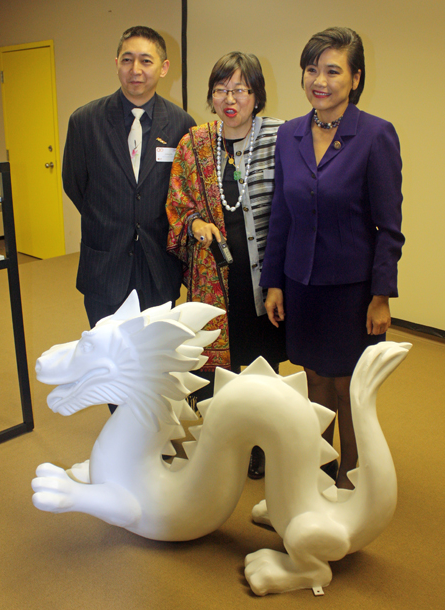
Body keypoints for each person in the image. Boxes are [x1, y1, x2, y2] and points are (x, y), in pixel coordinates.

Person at [260, 27, 405, 489]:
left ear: (355, 78)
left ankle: (350, 474)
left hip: (353, 289)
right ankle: (317, 471)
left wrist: (381, 295)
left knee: (349, 388)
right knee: (315, 379)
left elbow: (389, 227)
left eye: (332, 70)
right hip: (302, 283)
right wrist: (274, 282)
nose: (319, 80)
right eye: (311, 69)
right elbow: (280, 213)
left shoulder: (376, 135)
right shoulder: (290, 135)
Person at [166, 52, 286, 478]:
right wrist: (196, 222)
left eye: (239, 89)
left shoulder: (281, 137)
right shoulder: (194, 143)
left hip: (267, 273)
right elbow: (177, 205)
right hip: (214, 275)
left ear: (256, 94)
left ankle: (264, 441)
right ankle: (228, 439)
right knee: (222, 364)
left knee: (263, 362)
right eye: (220, 90)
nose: (229, 99)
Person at [62, 25, 196, 333]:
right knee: (108, 358)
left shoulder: (181, 124)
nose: (135, 70)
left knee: (155, 360)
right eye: (127, 59)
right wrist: (112, 216)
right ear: (117, 63)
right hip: (105, 262)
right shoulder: (85, 121)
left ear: (163, 68)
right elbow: (74, 183)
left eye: (146, 61)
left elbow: (183, 191)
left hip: (158, 265)